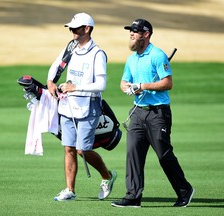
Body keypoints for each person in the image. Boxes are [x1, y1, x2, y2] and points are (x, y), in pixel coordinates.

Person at [111, 19, 194, 208]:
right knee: (133, 154)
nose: (131, 34)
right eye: (130, 31)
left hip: (158, 113)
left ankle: (184, 190)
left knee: (164, 155)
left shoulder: (157, 55)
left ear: (146, 34)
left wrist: (142, 86)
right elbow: (124, 82)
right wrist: (129, 88)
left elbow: (167, 83)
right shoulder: (131, 59)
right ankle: (133, 196)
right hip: (138, 113)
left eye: (135, 31)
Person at [47, 12, 117, 201]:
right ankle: (70, 190)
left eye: (76, 28)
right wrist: (50, 81)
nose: (72, 31)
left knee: (82, 149)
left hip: (89, 105)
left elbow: (101, 85)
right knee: (68, 147)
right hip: (68, 104)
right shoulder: (71, 47)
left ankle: (107, 176)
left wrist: (74, 87)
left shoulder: (97, 53)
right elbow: (56, 64)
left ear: (87, 29)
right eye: (71, 28)